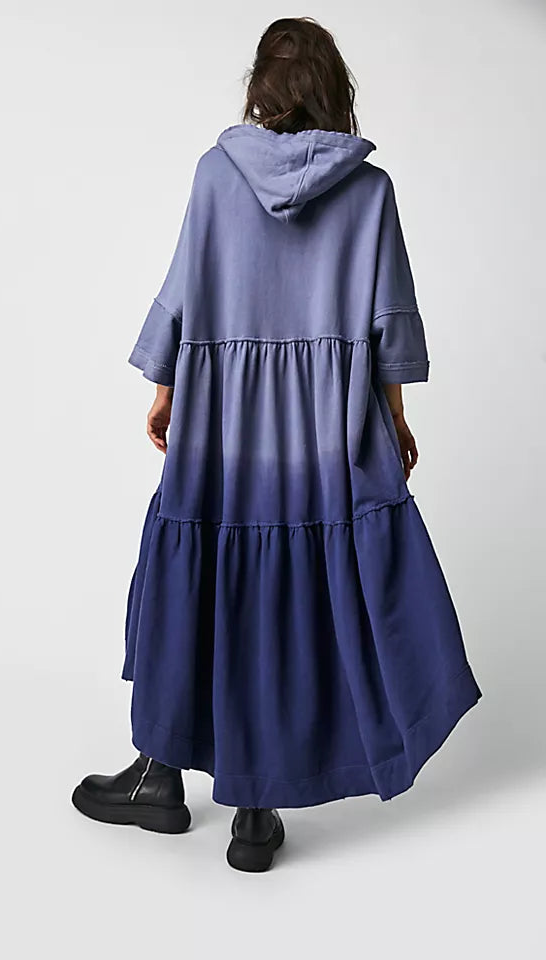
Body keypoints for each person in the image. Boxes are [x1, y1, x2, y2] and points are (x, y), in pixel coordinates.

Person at [72, 16, 482, 872]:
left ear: (260, 87)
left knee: (198, 576)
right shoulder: (369, 191)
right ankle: (256, 809)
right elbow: (388, 323)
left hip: (222, 424)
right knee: (296, 589)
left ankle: (160, 775)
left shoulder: (215, 174)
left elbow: (184, 291)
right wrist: (394, 418)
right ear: (334, 89)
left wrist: (165, 389)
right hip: (324, 432)